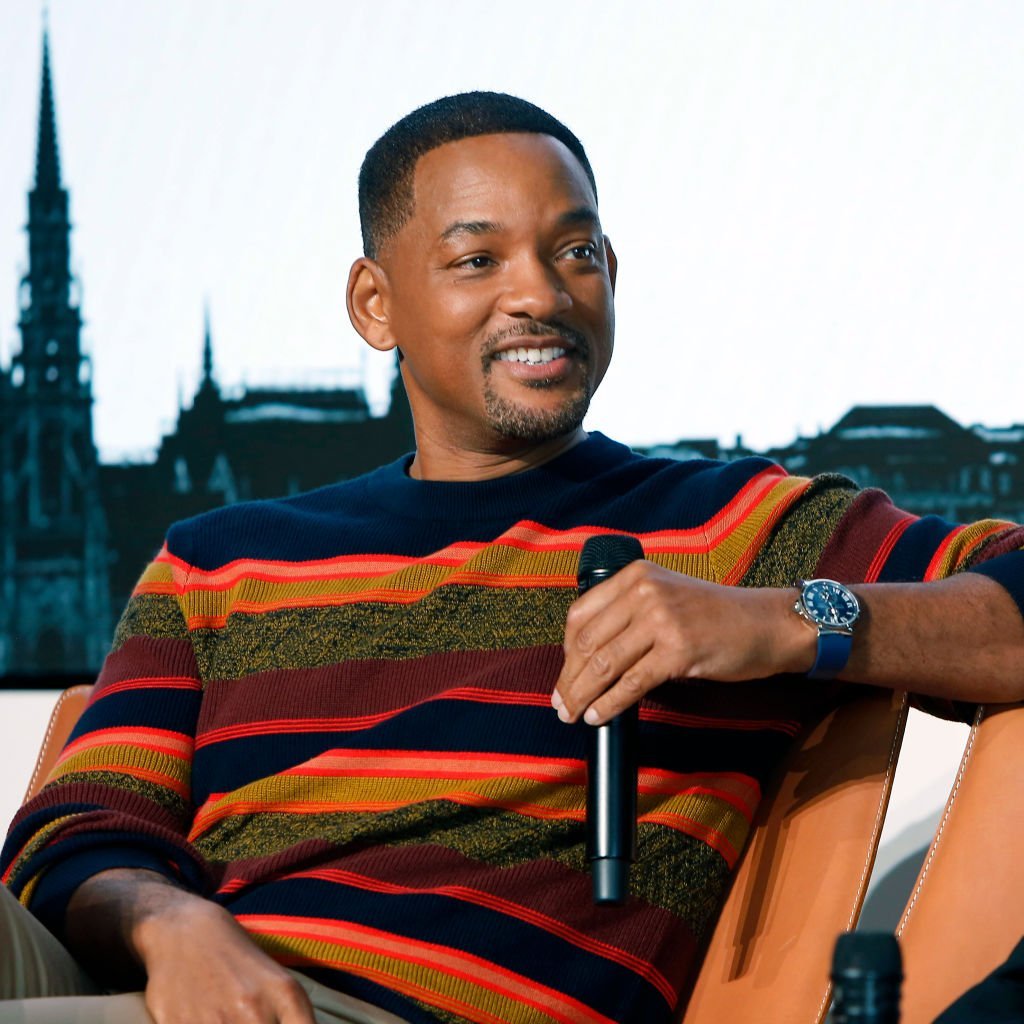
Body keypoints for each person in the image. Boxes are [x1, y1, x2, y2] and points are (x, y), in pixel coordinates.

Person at [1, 91, 1022, 1024]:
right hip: (153, 975)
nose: (539, 292)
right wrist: (171, 928)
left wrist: (787, 618)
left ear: (610, 275)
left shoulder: (726, 527)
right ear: (375, 305)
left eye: (574, 252)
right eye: (477, 259)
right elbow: (76, 828)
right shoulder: (212, 561)